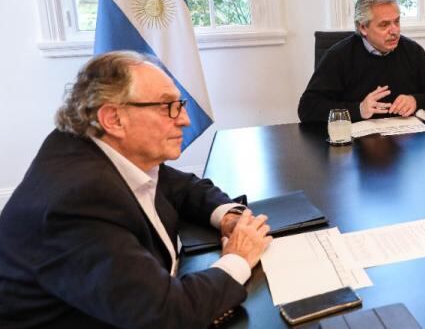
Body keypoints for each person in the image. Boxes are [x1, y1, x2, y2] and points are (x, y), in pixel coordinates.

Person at [0, 52, 272, 328]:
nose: (185, 120)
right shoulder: (77, 201)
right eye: (168, 106)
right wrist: (237, 259)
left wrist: (227, 216)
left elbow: (180, 185)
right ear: (113, 119)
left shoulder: (95, 148)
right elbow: (166, 315)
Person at [298, 0, 425, 122]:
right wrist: (359, 109)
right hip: (357, 148)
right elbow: (308, 108)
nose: (394, 31)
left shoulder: (412, 51)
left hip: (404, 142)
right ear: (363, 27)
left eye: (396, 22)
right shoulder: (339, 56)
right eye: (384, 25)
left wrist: (416, 101)